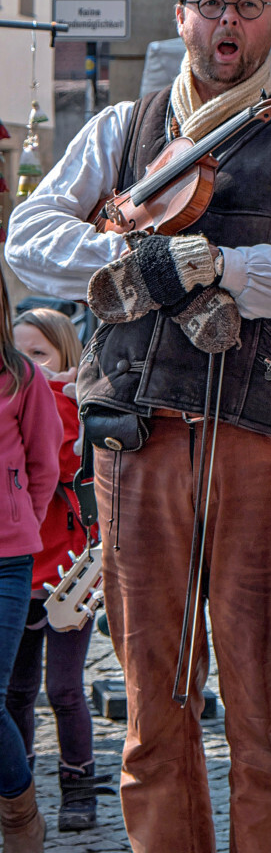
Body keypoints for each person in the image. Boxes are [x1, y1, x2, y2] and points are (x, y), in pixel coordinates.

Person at [5, 0, 271, 853]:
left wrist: (227, 267)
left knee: (264, 711)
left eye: (248, 7)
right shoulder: (122, 132)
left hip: (258, 444)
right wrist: (131, 257)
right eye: (210, 7)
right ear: (180, 19)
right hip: (137, 445)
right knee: (151, 710)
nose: (228, 24)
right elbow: (28, 236)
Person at [7, 308, 112, 832]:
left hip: (70, 572)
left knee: (65, 690)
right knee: (15, 693)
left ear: (65, 358)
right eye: (20, 355)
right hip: (20, 568)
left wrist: (57, 396)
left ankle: (79, 786)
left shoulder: (73, 406)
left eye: (40, 355)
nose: (31, 366)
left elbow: (67, 463)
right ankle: (18, 792)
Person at [0, 275, 62, 853]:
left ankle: (20, 817)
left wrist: (16, 520)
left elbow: (45, 466)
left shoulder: (23, 377)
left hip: (5, 563)